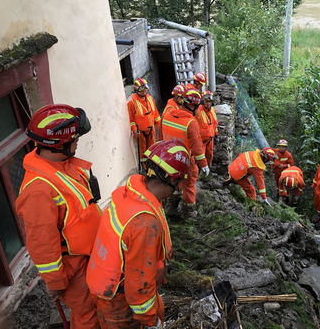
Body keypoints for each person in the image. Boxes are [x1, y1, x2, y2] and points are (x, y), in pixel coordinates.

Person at [87, 140, 190, 329]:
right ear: (172, 179)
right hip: (120, 303)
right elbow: (139, 286)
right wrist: (150, 321)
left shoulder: (128, 193)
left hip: (106, 283)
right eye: (180, 182)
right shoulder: (144, 223)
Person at [16, 104, 101, 329]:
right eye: (74, 138)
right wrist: (55, 282)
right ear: (58, 143)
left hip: (89, 257)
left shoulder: (63, 166)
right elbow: (42, 243)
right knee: (87, 315)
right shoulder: (38, 190)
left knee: (98, 307)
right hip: (73, 268)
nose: (77, 142)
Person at [160, 88, 209, 217]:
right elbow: (197, 148)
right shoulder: (190, 122)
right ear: (194, 106)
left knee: (172, 181)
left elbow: (161, 137)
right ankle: (189, 212)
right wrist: (203, 164)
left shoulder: (166, 116)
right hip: (185, 160)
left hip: (168, 158)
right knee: (189, 184)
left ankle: (171, 208)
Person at [127, 78, 161, 166]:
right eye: (142, 90)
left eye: (145, 89)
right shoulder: (132, 102)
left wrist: (159, 124)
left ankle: (153, 165)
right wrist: (134, 130)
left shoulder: (150, 98)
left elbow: (155, 113)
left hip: (151, 129)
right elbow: (131, 119)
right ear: (137, 91)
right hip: (140, 131)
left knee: (152, 148)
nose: (144, 92)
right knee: (142, 151)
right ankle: (145, 167)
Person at [195, 90, 218, 166]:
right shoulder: (198, 111)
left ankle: (208, 169)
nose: (208, 103)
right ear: (203, 101)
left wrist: (216, 134)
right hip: (201, 141)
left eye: (210, 101)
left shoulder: (213, 110)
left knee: (209, 155)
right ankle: (200, 171)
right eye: (206, 101)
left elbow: (215, 123)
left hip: (210, 139)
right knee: (201, 158)